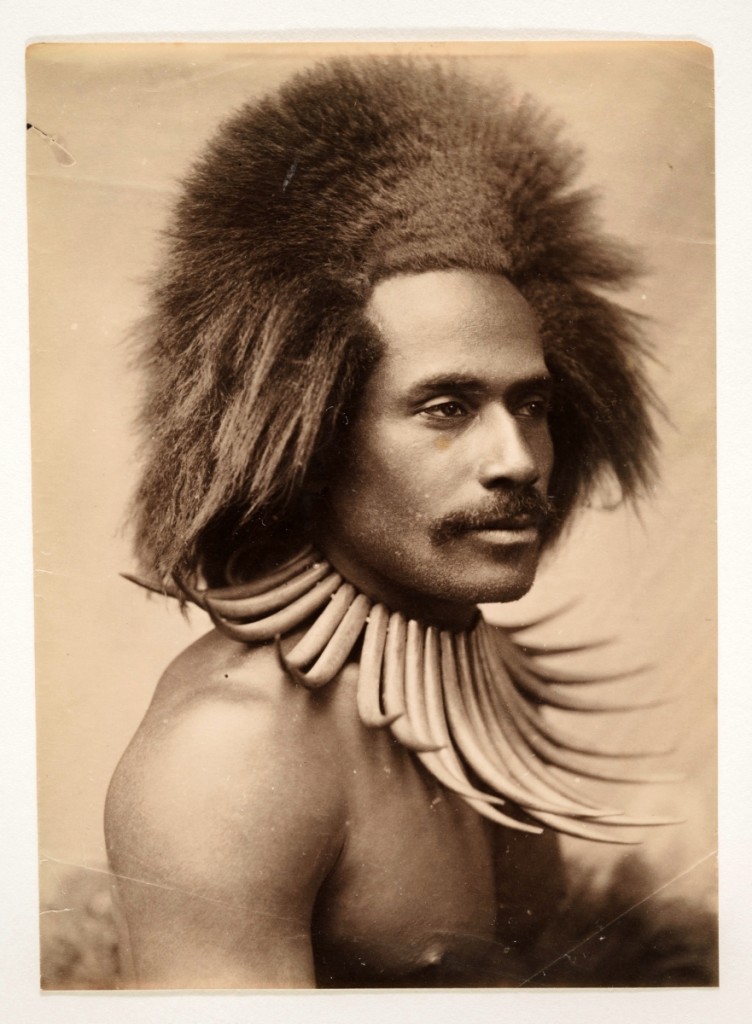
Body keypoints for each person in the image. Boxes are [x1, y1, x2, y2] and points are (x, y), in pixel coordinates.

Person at [104, 56, 665, 989]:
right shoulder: (233, 752)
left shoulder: (494, 685)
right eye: (447, 407)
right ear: (311, 436)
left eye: (531, 404)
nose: (518, 459)